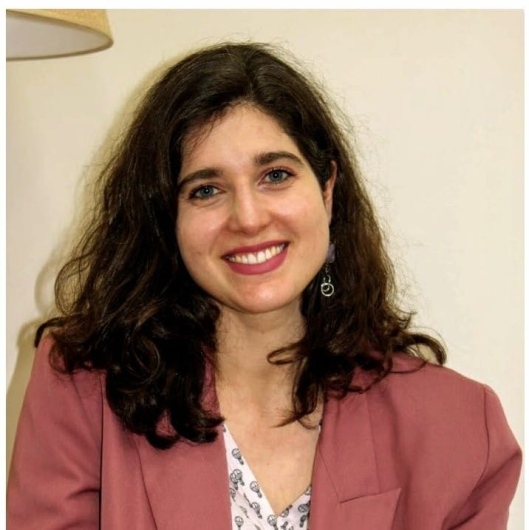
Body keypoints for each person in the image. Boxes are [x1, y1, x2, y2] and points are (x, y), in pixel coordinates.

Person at [7, 42, 521, 530]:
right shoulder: (83, 390)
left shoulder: (459, 429)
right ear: (167, 220)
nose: (248, 218)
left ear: (327, 190)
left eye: (275, 175)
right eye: (206, 190)